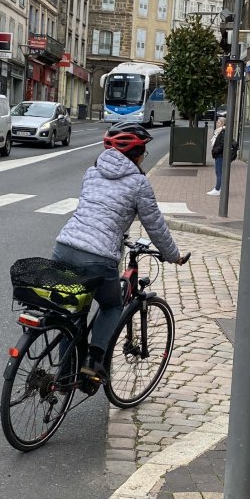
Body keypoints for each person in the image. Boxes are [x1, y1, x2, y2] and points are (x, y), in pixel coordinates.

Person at [52, 122, 187, 382]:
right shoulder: (138, 183)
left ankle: (63, 376)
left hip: (64, 247)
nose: (143, 158)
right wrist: (174, 255)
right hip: (98, 257)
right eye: (143, 153)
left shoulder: (91, 172)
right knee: (113, 305)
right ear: (135, 154)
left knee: (71, 312)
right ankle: (93, 360)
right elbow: (155, 226)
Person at [208, 117, 226, 196]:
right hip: (218, 155)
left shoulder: (223, 132)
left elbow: (222, 144)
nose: (217, 123)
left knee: (219, 172)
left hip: (220, 155)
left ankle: (217, 189)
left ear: (222, 124)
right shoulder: (219, 132)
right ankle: (219, 188)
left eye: (218, 122)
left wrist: (216, 150)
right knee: (218, 172)